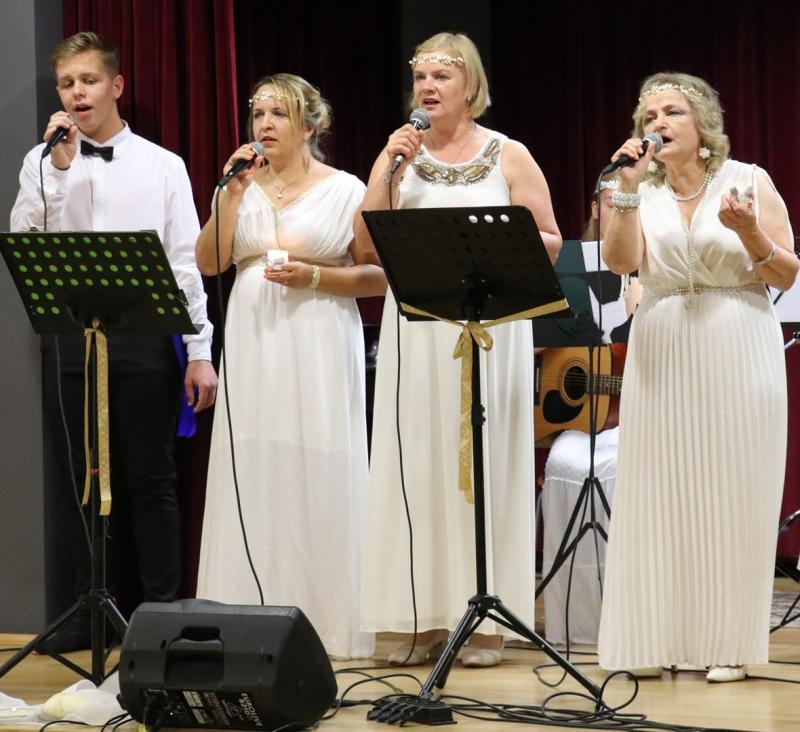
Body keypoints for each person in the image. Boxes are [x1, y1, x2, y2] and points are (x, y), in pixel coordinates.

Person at [358, 32, 561, 668]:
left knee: (482, 466)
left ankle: (485, 620)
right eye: (420, 77)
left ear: (470, 86)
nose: (427, 87)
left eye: (441, 77)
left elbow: (550, 239)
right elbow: (365, 247)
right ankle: (419, 614)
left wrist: (491, 251)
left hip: (490, 326)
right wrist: (388, 169)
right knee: (416, 459)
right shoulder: (398, 153)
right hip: (418, 328)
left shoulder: (509, 154)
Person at [10, 31, 217, 653]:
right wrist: (60, 173)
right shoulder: (41, 162)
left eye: (89, 81)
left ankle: (160, 615)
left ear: (116, 85)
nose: (77, 93)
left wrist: (200, 351)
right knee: (83, 476)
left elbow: (185, 262)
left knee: (150, 477)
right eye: (67, 84)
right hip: (73, 339)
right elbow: (26, 239)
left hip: (144, 336)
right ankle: (90, 610)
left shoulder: (163, 165)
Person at [597, 72, 798, 683]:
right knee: (658, 493)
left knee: (733, 492)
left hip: (738, 340)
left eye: (673, 112)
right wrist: (626, 189)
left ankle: (728, 644)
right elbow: (621, 262)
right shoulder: (630, 187)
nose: (658, 123)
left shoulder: (748, 180)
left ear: (703, 124)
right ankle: (656, 636)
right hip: (662, 344)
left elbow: (786, 273)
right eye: (649, 115)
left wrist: (749, 232)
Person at [194, 73, 384, 660]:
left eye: (278, 114)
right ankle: (243, 620)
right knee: (254, 465)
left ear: (309, 126)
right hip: (253, 341)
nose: (265, 125)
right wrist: (229, 195)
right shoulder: (239, 186)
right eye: (258, 114)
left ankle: (326, 622)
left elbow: (378, 275)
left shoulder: (346, 189)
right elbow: (209, 262)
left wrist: (316, 276)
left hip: (319, 339)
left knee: (316, 464)